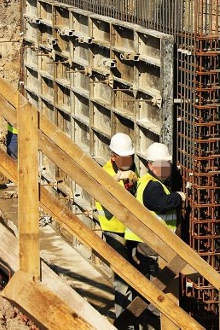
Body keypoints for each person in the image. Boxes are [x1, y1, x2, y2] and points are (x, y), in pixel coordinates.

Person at [123, 142, 185, 320]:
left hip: (149, 242)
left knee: (154, 284)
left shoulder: (148, 182)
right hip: (151, 244)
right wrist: (177, 197)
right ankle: (155, 320)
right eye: (161, 165)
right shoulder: (153, 186)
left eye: (167, 165)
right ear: (150, 165)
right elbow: (160, 203)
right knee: (156, 285)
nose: (166, 169)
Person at [96, 133, 138, 328]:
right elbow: (107, 197)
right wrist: (118, 180)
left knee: (136, 276)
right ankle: (125, 324)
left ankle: (136, 318)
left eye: (130, 157)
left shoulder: (130, 168)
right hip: (114, 233)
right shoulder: (106, 173)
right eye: (124, 158)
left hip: (132, 232)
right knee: (122, 280)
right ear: (113, 156)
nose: (128, 161)